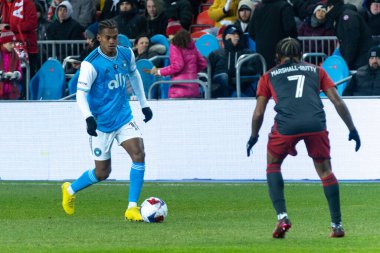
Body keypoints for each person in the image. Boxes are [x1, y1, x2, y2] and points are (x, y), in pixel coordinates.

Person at [246, 38, 361, 239]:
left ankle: (282, 216)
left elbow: (258, 113)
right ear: (300, 55)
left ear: (276, 56)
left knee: (273, 164)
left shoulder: (268, 76)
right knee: (325, 171)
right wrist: (352, 129)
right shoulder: (317, 71)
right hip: (315, 123)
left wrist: (253, 136)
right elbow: (337, 101)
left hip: (286, 126)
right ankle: (337, 225)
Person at [61, 19, 153, 222]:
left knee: (139, 154)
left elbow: (135, 76)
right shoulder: (91, 64)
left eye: (115, 37)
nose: (112, 41)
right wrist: (89, 118)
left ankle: (131, 207)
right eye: (108, 38)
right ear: (99, 38)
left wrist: (144, 104)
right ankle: (70, 189)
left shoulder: (126, 53)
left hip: (123, 117)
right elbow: (80, 94)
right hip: (101, 123)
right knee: (102, 172)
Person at [149, 29, 207, 98]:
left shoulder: (175, 46)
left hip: (179, 88)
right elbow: (203, 63)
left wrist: (160, 72)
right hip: (193, 87)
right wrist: (192, 71)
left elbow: (177, 66)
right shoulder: (192, 46)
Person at [208, 25, 261, 97]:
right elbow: (207, 72)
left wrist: (234, 71)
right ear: (226, 37)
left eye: (238, 34)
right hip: (219, 87)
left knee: (236, 93)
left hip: (242, 86)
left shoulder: (248, 53)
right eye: (233, 34)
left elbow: (253, 69)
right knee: (223, 77)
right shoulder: (216, 53)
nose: (236, 36)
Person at [1, 0, 38, 99]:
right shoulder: (2, 4)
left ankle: (26, 99)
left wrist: (11, 27)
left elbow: (32, 23)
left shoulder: (27, 3)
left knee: (25, 74)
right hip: (6, 48)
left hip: (26, 47)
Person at [248, 0, 298, 69]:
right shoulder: (284, 6)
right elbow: (290, 29)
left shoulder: (258, 8)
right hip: (281, 54)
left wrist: (261, 40)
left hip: (262, 55)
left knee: (265, 78)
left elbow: (251, 32)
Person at [326, 0, 374, 70]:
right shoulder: (342, 17)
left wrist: (347, 62)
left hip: (360, 59)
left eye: (327, 8)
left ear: (331, 7)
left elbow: (351, 41)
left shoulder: (348, 17)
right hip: (357, 58)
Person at [0, 29, 22, 100]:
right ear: (3, 43)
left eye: (13, 43)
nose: (13, 46)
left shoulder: (15, 55)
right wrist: (2, 75)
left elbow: (19, 70)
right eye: (10, 43)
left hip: (12, 93)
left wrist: (16, 74)